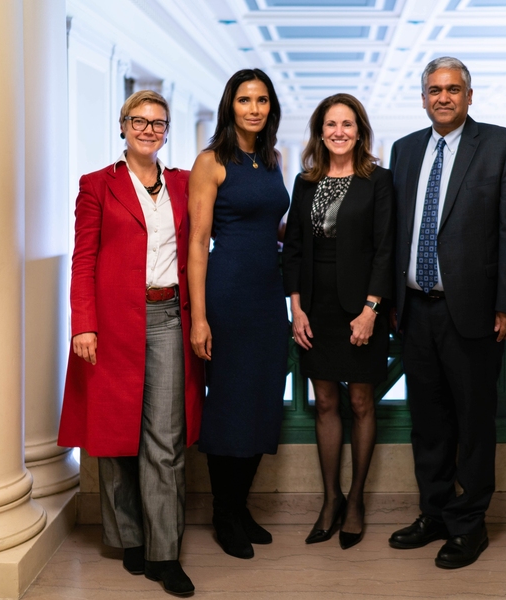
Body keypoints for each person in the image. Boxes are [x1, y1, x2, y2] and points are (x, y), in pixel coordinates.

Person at [387, 56, 506, 569]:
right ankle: (435, 514)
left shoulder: (502, 145)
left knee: (473, 423)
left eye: (453, 89)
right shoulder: (404, 151)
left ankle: (469, 526)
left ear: (469, 95)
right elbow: (393, 231)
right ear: (423, 97)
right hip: (415, 311)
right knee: (427, 422)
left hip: (472, 312)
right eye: (434, 90)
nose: (443, 97)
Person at [58, 90, 204, 596]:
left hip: (168, 316)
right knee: (117, 435)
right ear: (122, 127)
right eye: (138, 121)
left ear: (168, 131)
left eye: (158, 122)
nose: (148, 129)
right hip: (114, 322)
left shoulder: (185, 185)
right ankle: (131, 541)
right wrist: (83, 324)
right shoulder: (97, 185)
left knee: (163, 440)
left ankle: (166, 554)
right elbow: (83, 259)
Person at [281, 94, 394, 550]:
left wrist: (370, 310)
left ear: (360, 131)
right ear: (320, 131)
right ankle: (329, 499)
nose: (339, 131)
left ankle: (356, 500)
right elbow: (292, 250)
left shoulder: (378, 181)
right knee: (325, 402)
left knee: (362, 403)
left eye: (348, 124)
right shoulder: (304, 182)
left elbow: (386, 247)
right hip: (316, 307)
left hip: (362, 307)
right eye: (331, 124)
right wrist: (297, 306)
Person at [187, 69, 290, 560]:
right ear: (231, 105)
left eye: (262, 100)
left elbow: (275, 226)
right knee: (229, 405)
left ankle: (241, 506)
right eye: (245, 99)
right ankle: (224, 513)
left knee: (262, 402)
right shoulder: (211, 161)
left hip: (269, 296)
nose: (254, 108)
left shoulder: (273, 159)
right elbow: (197, 245)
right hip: (227, 295)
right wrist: (200, 317)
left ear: (271, 107)